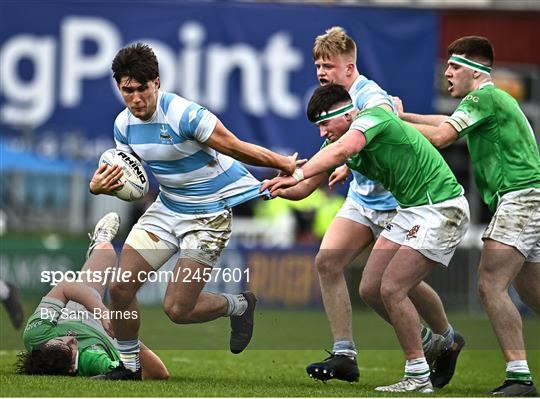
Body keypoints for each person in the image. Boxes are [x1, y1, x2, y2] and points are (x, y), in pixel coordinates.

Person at [88, 43, 301, 380]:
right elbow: (135, 184)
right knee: (121, 287)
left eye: (142, 89)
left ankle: (240, 305)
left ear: (156, 82)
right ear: (119, 87)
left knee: (177, 309)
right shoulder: (123, 126)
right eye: (128, 90)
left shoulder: (185, 115)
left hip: (208, 215)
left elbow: (235, 145)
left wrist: (283, 162)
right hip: (168, 208)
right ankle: (129, 367)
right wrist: (99, 187)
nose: (136, 98)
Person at [263, 83, 470, 393]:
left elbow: (342, 151)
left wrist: (299, 173)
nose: (321, 133)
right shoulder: (341, 140)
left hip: (440, 207)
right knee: (371, 288)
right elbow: (306, 186)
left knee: (393, 288)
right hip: (412, 210)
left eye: (324, 123)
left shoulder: (372, 117)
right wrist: (273, 186)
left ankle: (418, 374)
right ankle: (433, 344)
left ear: (346, 114)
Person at [298, 26, 463, 387]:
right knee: (333, 264)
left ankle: (444, 341)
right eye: (317, 66)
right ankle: (346, 353)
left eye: (328, 65)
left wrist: (345, 157)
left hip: (401, 201)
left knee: (397, 285)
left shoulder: (372, 97)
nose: (322, 72)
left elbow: (373, 133)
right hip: (364, 198)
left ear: (350, 66)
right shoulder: (333, 100)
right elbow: (341, 148)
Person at [394, 36, 539, 397]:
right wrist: (402, 116)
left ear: (475, 71)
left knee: (490, 284)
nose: (447, 72)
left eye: (455, 66)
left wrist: (387, 124)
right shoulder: (488, 100)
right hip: (528, 197)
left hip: (521, 198)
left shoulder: (482, 96)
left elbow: (442, 136)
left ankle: (519, 378)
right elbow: (444, 120)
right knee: (532, 292)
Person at [17, 212, 169, 380]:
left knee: (106, 251)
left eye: (61, 341)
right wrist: (125, 334)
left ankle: (99, 241)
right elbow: (158, 373)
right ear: (71, 369)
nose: (71, 339)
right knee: (121, 292)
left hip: (73, 314)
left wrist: (102, 313)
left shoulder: (36, 335)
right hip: (108, 337)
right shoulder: (91, 360)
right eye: (71, 348)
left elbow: (64, 287)